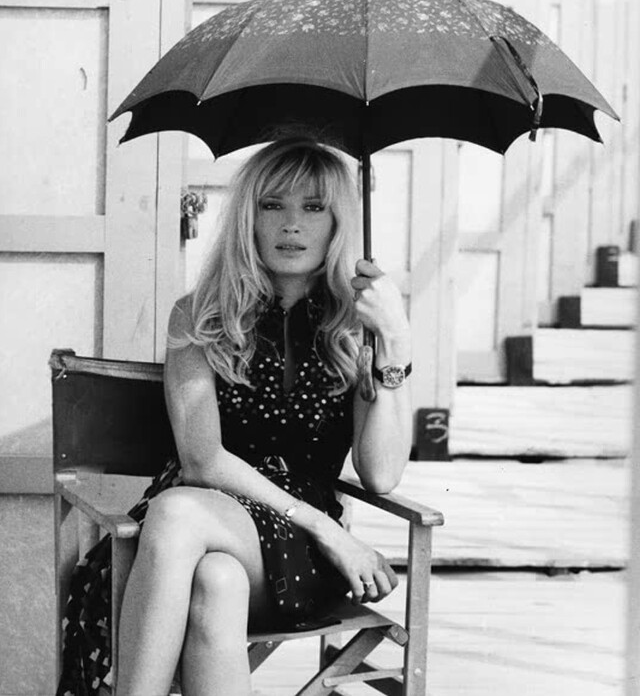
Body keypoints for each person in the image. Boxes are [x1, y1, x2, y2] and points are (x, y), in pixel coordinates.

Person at [57, 137, 413, 696]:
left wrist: (393, 337)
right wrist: (329, 529)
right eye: (273, 205)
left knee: (177, 516)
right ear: (249, 217)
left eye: (313, 207)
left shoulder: (356, 328)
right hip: (220, 526)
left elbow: (382, 474)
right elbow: (202, 462)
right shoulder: (199, 316)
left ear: (339, 222)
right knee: (215, 579)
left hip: (297, 557)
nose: (291, 224)